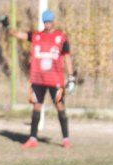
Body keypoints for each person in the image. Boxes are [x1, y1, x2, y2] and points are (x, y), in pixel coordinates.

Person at [6, 9, 75, 149]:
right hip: (38, 79)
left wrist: (71, 77)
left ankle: (66, 139)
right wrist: (7, 26)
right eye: (45, 22)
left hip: (55, 80)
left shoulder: (61, 37)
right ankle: (32, 139)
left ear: (53, 21)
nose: (48, 24)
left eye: (49, 21)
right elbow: (17, 34)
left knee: (60, 106)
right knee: (36, 106)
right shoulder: (37, 36)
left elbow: (67, 57)